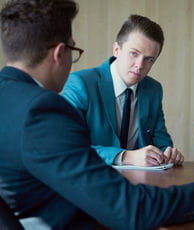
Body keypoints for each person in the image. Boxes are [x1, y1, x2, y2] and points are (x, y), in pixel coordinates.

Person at [0, 0, 194, 229]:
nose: (140, 65)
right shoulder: (43, 110)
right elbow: (128, 209)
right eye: (73, 50)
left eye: (149, 59)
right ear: (59, 53)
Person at [62, 14, 182, 167]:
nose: (139, 65)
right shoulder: (81, 83)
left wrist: (168, 153)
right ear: (117, 49)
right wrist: (125, 156)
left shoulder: (153, 89)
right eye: (134, 53)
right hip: (90, 178)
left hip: (142, 181)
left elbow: (161, 141)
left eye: (149, 59)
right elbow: (67, 145)